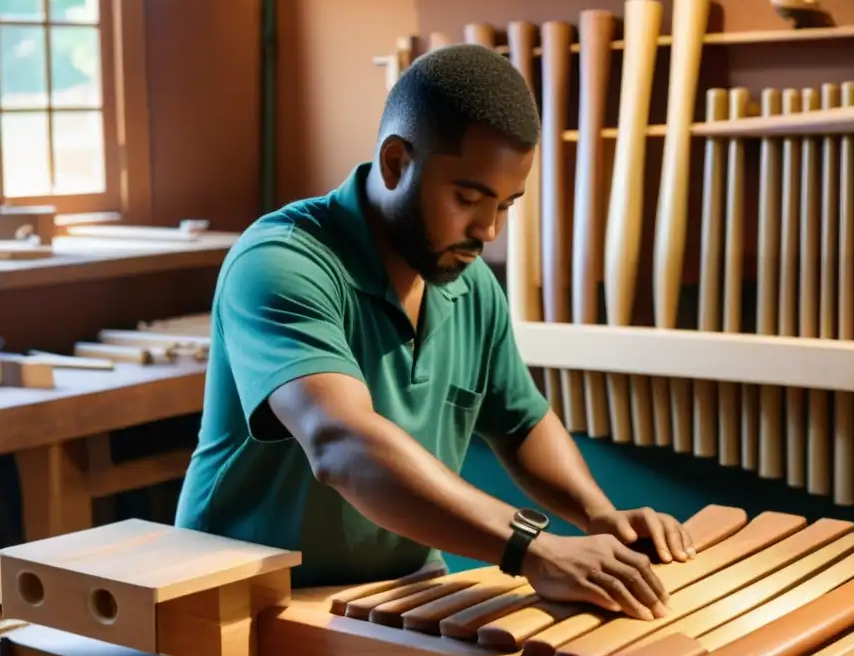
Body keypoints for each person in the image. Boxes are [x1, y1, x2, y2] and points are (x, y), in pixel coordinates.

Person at [175, 43, 696, 622]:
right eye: (468, 198)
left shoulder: (469, 283)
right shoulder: (281, 261)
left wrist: (601, 517)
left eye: (507, 204)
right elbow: (341, 444)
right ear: (397, 163)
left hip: (400, 591)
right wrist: (532, 548)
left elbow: (521, 422)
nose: (489, 230)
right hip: (245, 598)